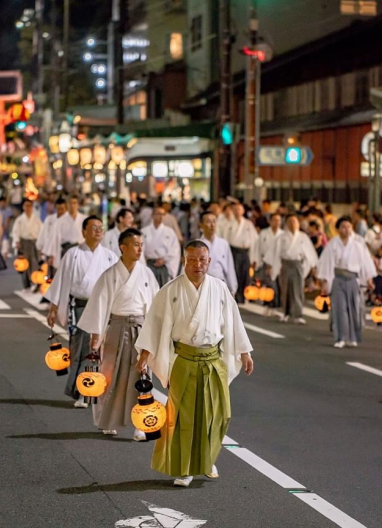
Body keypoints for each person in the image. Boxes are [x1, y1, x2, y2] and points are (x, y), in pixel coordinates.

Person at [135, 240, 254, 487]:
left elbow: (234, 322)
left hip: (213, 360)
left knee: (217, 414)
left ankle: (207, 459)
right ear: (184, 261)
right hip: (184, 360)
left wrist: (244, 352)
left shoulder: (219, 288)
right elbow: (155, 326)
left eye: (202, 259)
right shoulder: (170, 290)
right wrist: (145, 355)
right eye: (192, 259)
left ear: (208, 261)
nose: (197, 264)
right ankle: (185, 467)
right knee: (182, 417)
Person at [78, 228, 159, 438]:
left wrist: (155, 334)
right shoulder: (110, 275)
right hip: (116, 327)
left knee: (142, 375)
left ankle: (140, 424)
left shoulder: (147, 274)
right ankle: (107, 419)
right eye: (135, 244)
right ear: (123, 248)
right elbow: (100, 305)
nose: (140, 249)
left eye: (142, 244)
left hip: (140, 329)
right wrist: (96, 335)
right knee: (109, 375)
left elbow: (156, 305)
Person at [45, 216, 118, 407]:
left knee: (98, 350)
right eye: (94, 228)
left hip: (102, 308)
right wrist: (53, 309)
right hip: (79, 307)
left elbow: (117, 285)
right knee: (80, 350)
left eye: (100, 227)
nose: (98, 231)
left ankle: (93, 392)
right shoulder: (73, 254)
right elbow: (60, 282)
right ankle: (81, 391)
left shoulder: (110, 256)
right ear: (84, 231)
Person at [317, 216, 376, 348]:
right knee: (340, 308)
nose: (346, 229)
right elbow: (326, 263)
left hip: (353, 279)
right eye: (343, 227)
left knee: (354, 308)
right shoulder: (333, 244)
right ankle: (340, 337)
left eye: (349, 226)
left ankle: (352, 337)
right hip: (338, 278)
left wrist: (369, 279)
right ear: (338, 229)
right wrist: (325, 282)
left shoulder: (358, 245)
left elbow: (366, 263)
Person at [264, 214, 318, 324]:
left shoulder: (303, 237)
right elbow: (273, 252)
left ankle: (298, 314)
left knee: (298, 289)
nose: (292, 224)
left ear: (298, 223)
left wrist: (313, 267)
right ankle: (285, 313)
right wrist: (270, 266)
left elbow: (310, 253)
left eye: (295, 221)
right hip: (285, 264)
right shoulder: (281, 238)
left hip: (297, 264)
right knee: (285, 289)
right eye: (290, 222)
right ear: (287, 224)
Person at [224, 203, 258, 304]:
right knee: (235, 273)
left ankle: (243, 295)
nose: (237, 211)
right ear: (232, 211)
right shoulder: (228, 224)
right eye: (235, 209)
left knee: (245, 274)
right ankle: (236, 295)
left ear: (243, 211)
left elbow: (254, 241)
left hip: (245, 252)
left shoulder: (248, 224)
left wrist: (253, 258)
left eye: (239, 209)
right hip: (233, 251)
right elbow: (225, 240)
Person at [199, 211, 238, 296]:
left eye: (214, 221)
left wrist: (232, 289)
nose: (212, 225)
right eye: (208, 222)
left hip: (220, 283)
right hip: (202, 285)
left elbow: (230, 267)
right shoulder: (197, 245)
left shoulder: (223, 244)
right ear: (201, 225)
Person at [141, 206, 180, 287]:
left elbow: (175, 249)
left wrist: (164, 260)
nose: (160, 216)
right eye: (158, 214)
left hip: (164, 264)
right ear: (152, 215)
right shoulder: (144, 231)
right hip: (149, 264)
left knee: (163, 289)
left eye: (163, 214)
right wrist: (143, 265)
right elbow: (140, 250)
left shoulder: (169, 231)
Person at [45, 195, 86, 269]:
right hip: (66, 249)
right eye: (70, 203)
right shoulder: (60, 221)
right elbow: (55, 238)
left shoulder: (84, 219)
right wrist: (52, 255)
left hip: (81, 249)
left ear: (78, 205)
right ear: (67, 205)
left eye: (74, 203)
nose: (72, 205)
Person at [253, 213, 284, 314]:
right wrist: (256, 261)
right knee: (269, 285)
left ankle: (275, 305)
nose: (276, 222)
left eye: (278, 220)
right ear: (270, 221)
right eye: (274, 220)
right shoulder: (264, 233)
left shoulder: (283, 234)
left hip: (279, 263)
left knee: (278, 285)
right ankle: (268, 304)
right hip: (266, 262)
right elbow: (258, 248)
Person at [11, 199, 42, 291]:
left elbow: (42, 231)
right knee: (24, 265)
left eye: (30, 206)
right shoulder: (19, 220)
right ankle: (26, 285)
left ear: (32, 207)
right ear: (23, 207)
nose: (28, 208)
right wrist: (16, 241)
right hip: (24, 243)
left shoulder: (36, 219)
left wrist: (42, 243)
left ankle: (34, 282)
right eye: (26, 206)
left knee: (34, 263)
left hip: (34, 243)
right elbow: (15, 232)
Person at [36, 197, 67, 265]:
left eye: (62, 209)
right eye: (58, 209)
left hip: (63, 251)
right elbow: (43, 234)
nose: (60, 211)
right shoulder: (49, 219)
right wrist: (40, 247)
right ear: (55, 208)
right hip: (48, 251)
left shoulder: (69, 221)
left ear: (66, 209)